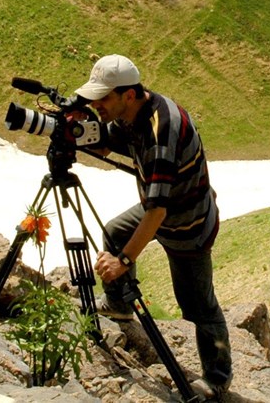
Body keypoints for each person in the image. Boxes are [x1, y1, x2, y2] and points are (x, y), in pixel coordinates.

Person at [75, 54, 233, 401]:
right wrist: (82, 130)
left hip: (187, 226)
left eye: (103, 98)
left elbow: (156, 213)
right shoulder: (136, 112)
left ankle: (218, 378)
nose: (96, 104)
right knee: (116, 231)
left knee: (199, 307)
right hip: (163, 208)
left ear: (127, 94)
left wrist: (124, 263)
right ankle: (119, 305)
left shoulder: (163, 132)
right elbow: (114, 140)